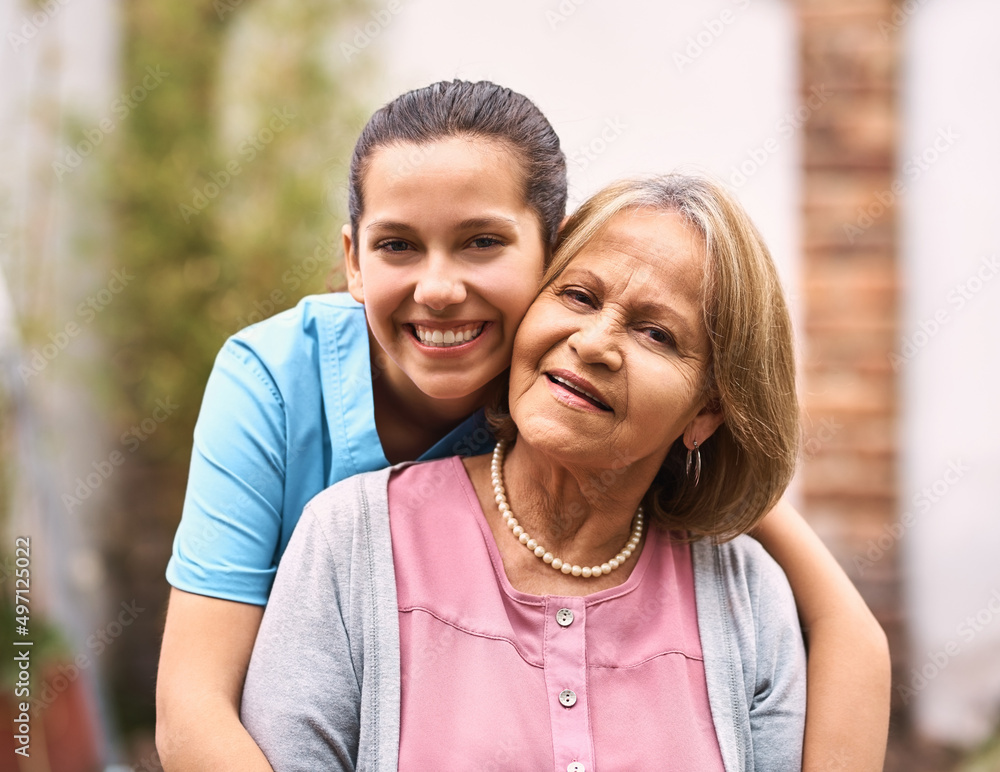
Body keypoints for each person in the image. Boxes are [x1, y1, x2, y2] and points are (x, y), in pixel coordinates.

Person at [155, 82, 889, 771]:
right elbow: (190, 707)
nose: (440, 291)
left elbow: (841, 626)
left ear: (550, 247)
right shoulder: (285, 397)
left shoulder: (730, 581)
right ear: (352, 260)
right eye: (396, 244)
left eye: (482, 242)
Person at [242, 173, 818, 770]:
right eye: (578, 296)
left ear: (705, 411)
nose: (595, 343)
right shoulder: (351, 538)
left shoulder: (747, 599)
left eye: (656, 333)